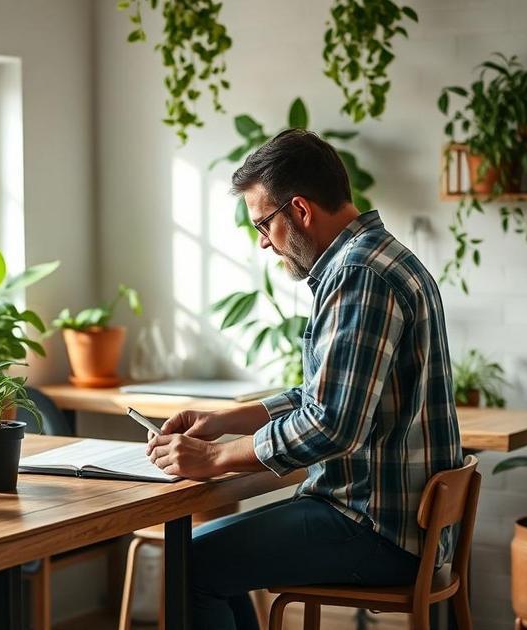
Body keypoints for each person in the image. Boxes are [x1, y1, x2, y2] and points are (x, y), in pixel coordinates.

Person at [146, 129, 463, 630]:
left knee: (190, 563)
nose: (264, 243)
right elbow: (321, 395)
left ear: (299, 209)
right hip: (395, 523)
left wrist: (216, 457)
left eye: (264, 225)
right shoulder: (381, 257)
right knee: (201, 558)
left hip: (375, 528)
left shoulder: (359, 274)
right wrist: (222, 421)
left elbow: (332, 424)